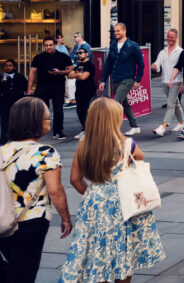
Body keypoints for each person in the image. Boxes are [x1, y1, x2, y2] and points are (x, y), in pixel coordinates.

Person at [61, 97, 164, 280]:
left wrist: (94, 193)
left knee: (97, 250)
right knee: (122, 250)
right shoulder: (126, 144)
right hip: (122, 203)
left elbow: (75, 180)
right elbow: (140, 158)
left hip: (95, 203)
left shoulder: (83, 146)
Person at [0, 97, 72, 282]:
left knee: (11, 268)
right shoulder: (45, 153)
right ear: (35, 122)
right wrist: (65, 217)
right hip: (31, 221)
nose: (50, 121)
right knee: (24, 272)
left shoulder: (2, 151)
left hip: (3, 219)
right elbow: (55, 191)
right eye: (47, 118)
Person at [98, 23, 144, 136]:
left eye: (118, 31)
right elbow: (109, 63)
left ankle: (113, 129)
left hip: (128, 78)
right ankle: (135, 126)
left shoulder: (133, 45)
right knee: (124, 104)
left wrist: (137, 80)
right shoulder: (113, 45)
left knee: (116, 103)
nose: (116, 33)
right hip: (116, 78)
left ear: (124, 31)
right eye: (114, 31)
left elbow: (141, 64)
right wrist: (103, 79)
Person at [27, 36, 73, 141]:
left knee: (58, 110)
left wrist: (60, 72)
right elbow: (32, 72)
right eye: (46, 45)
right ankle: (39, 130)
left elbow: (70, 68)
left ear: (55, 45)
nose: (48, 47)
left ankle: (58, 131)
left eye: (50, 45)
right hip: (42, 86)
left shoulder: (63, 56)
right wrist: (29, 88)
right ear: (44, 46)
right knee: (41, 110)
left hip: (58, 86)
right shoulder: (38, 57)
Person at [151, 28, 184, 137]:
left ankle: (163, 126)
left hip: (176, 81)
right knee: (175, 103)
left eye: (172, 37)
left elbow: (183, 68)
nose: (169, 39)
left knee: (170, 104)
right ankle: (182, 123)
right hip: (165, 82)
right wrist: (154, 66)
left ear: (177, 37)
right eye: (168, 36)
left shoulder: (180, 52)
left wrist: (183, 83)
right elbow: (157, 64)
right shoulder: (163, 51)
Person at [67, 46, 95, 140]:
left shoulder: (89, 65)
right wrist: (78, 74)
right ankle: (84, 130)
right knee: (79, 111)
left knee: (85, 111)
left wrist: (77, 75)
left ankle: (87, 131)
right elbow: (70, 75)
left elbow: (84, 77)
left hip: (88, 91)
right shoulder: (78, 65)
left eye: (81, 52)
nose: (79, 54)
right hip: (79, 91)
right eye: (78, 53)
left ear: (86, 54)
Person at [0, 59, 28, 143]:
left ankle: (17, 136)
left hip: (17, 100)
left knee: (17, 119)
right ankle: (4, 136)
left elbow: (25, 87)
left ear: (14, 67)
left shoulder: (19, 77)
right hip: (4, 101)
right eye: (6, 66)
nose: (8, 67)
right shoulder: (1, 77)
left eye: (10, 65)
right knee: (4, 119)